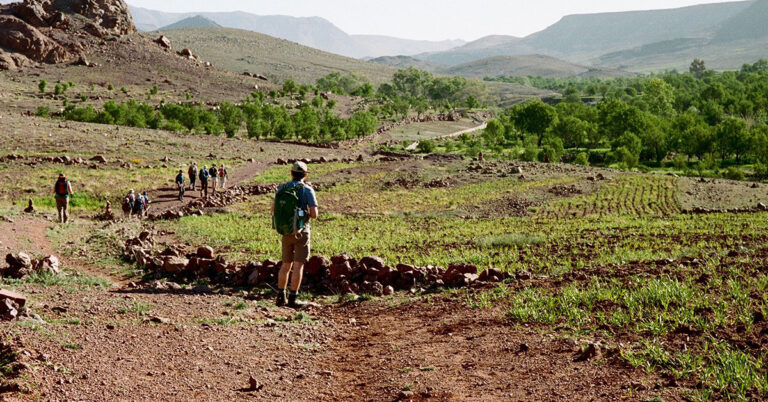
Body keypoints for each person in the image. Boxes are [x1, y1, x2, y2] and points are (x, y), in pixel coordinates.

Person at [272, 161, 318, 308]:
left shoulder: (281, 188)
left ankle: (280, 296)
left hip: (285, 231)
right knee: (298, 266)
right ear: (305, 174)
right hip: (301, 231)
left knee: (285, 265)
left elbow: (273, 210)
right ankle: (293, 298)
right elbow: (314, 214)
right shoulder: (307, 190)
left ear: (291, 174)